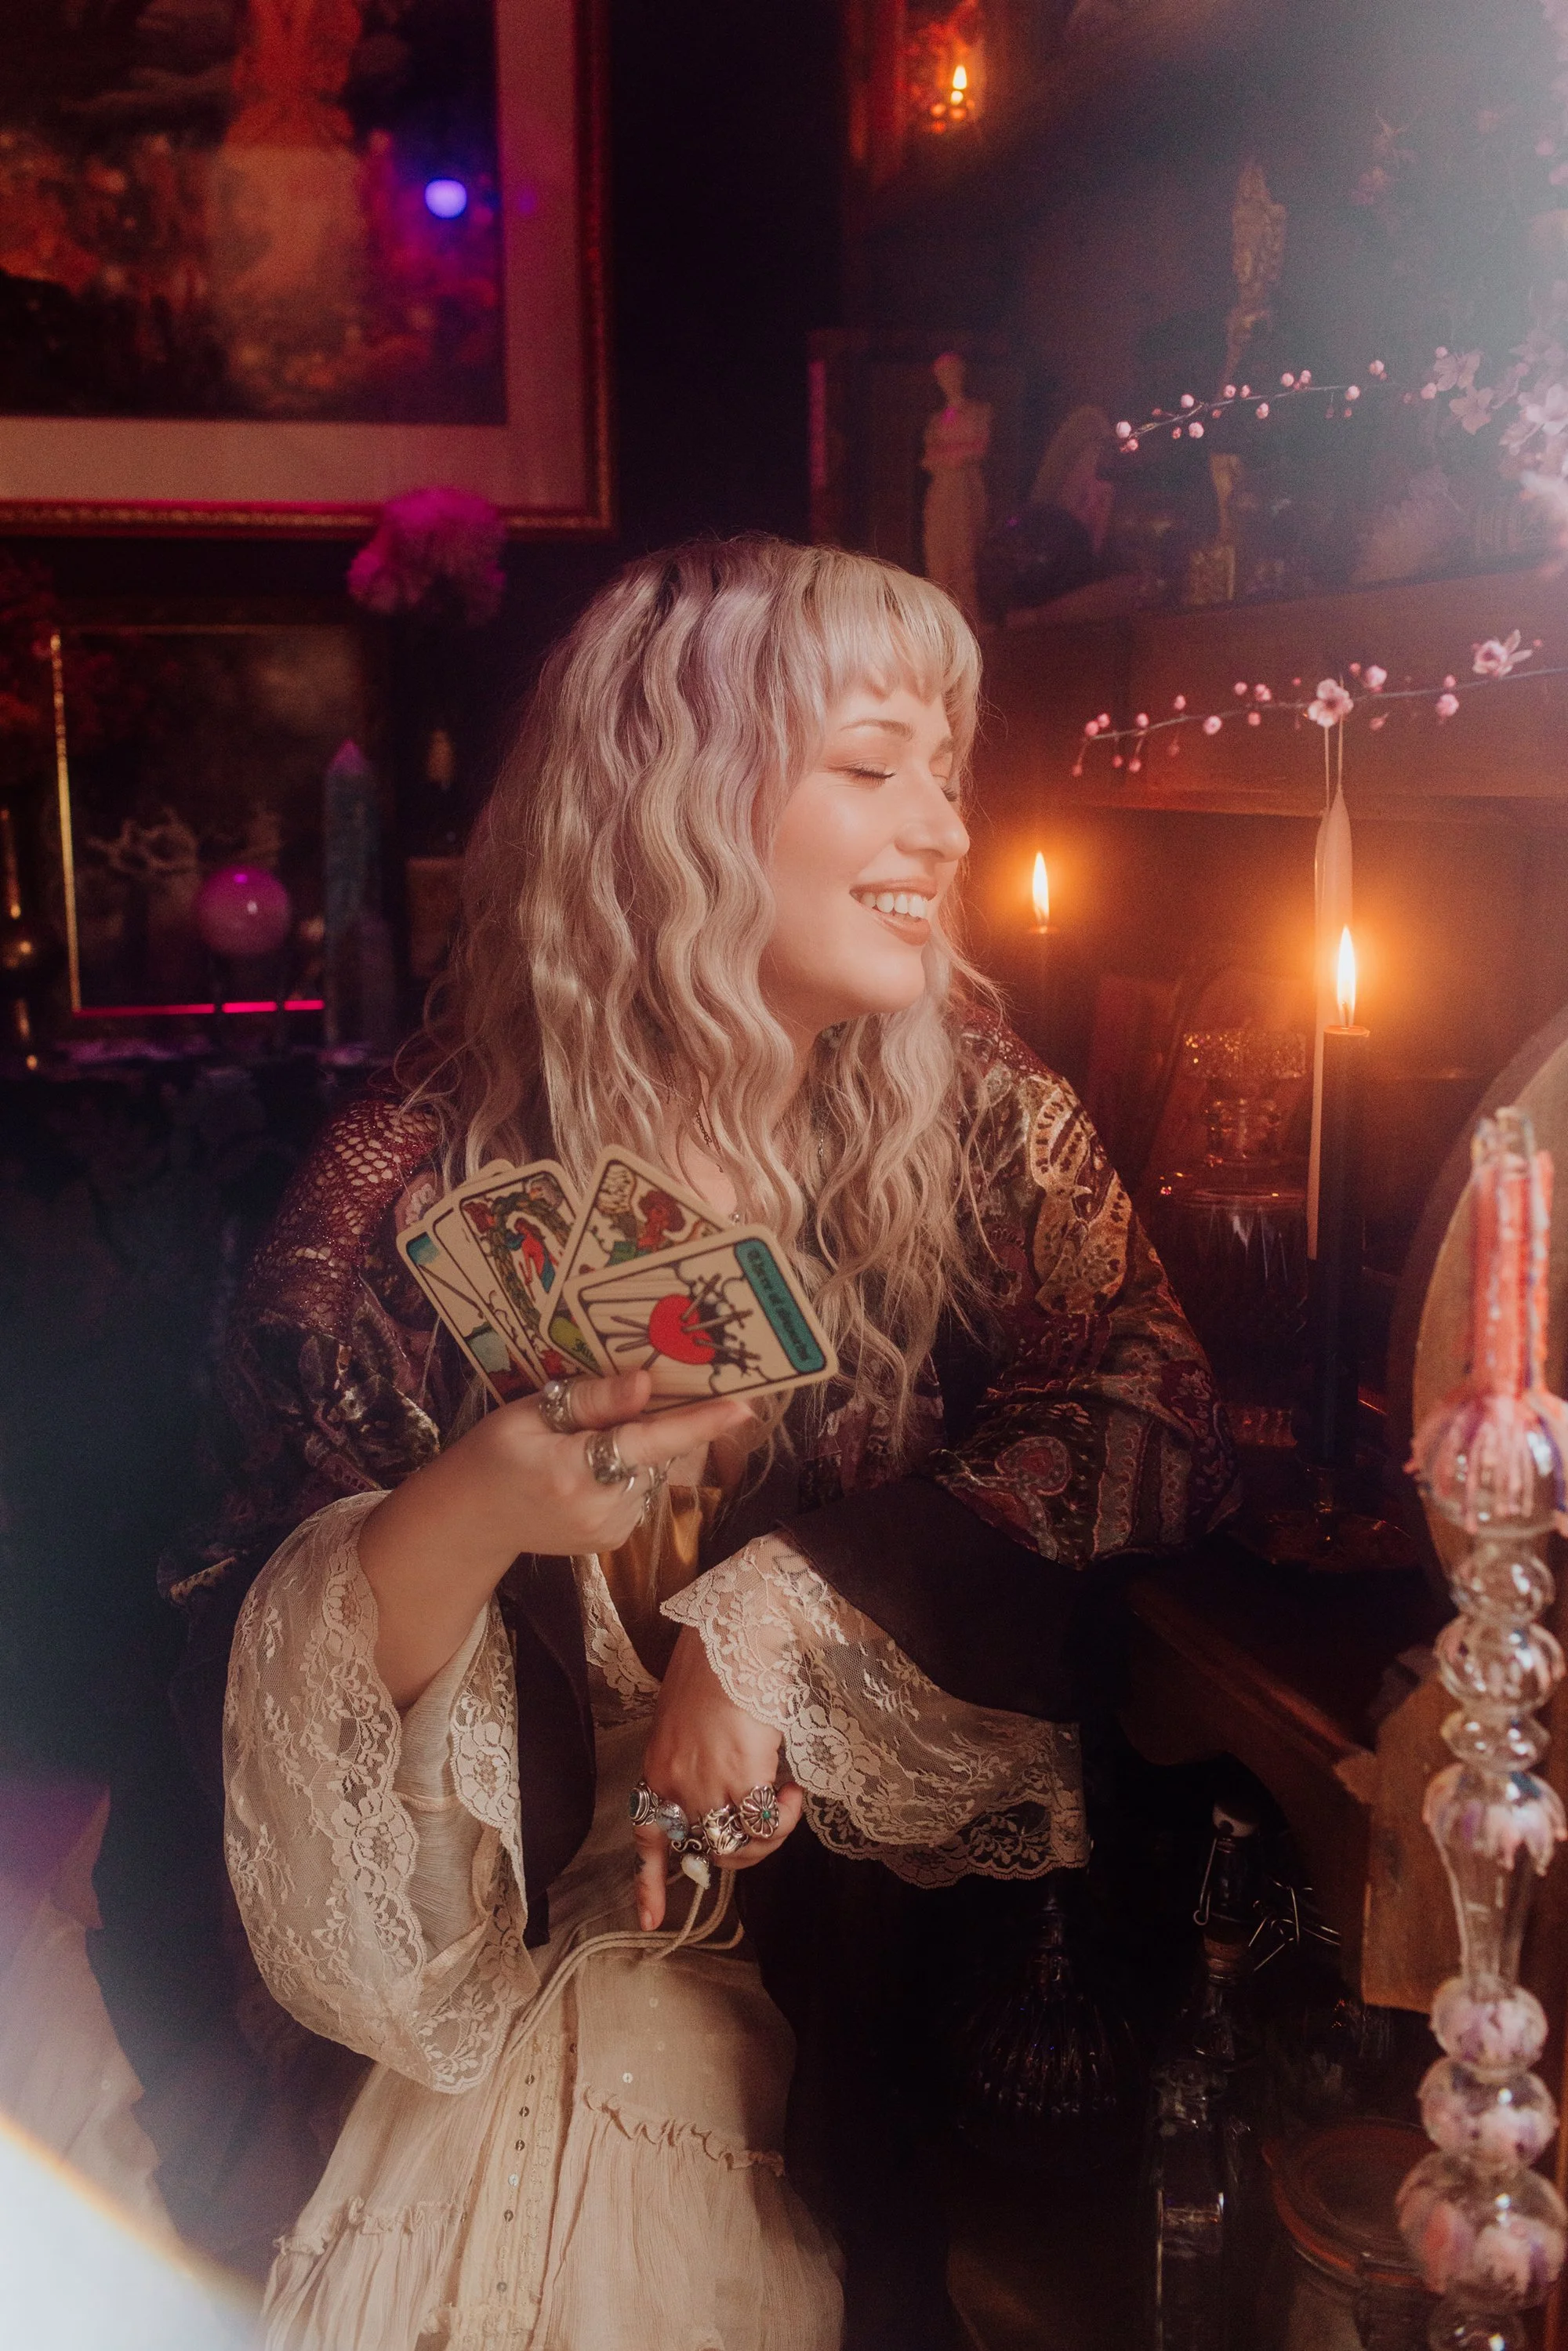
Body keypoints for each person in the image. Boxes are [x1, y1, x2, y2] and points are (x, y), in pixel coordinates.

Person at [162, 535, 1236, 2350]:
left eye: (950, 776)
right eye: (875, 765)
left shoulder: (981, 1117)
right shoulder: (408, 1173)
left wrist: (776, 1609)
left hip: (864, 2015)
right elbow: (244, 1633)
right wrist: (482, 1497)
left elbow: (1155, 1416)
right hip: (472, 1977)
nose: (945, 832)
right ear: (679, 801)